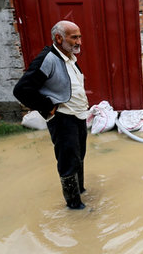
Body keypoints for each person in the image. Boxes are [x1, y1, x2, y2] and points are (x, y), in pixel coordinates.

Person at [13, 20, 90, 210]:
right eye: (74, 37)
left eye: (79, 36)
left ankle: (79, 191)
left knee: (79, 156)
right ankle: (74, 206)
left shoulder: (69, 57)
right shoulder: (48, 58)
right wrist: (48, 107)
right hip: (63, 118)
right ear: (59, 38)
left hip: (78, 116)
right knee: (68, 161)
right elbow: (22, 90)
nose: (79, 41)